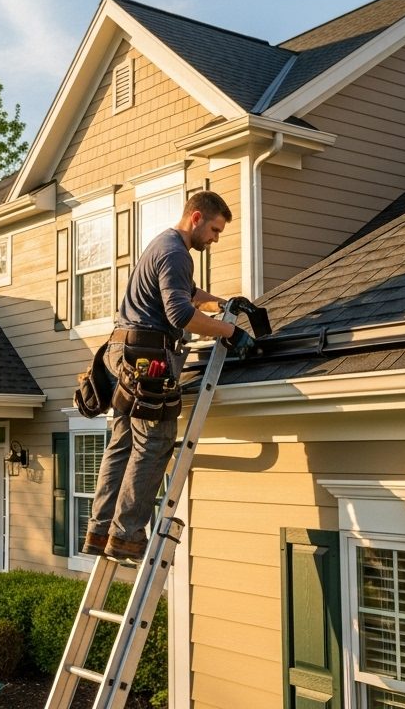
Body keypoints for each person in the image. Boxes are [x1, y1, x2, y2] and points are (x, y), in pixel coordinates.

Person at [82, 189, 255, 561]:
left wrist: (223, 305)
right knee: (155, 442)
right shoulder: (177, 252)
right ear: (196, 218)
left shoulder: (161, 245)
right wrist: (231, 332)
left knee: (122, 445)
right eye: (214, 229)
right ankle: (126, 535)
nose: (215, 238)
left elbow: (188, 293)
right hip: (147, 359)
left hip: (122, 354)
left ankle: (100, 532)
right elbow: (179, 313)